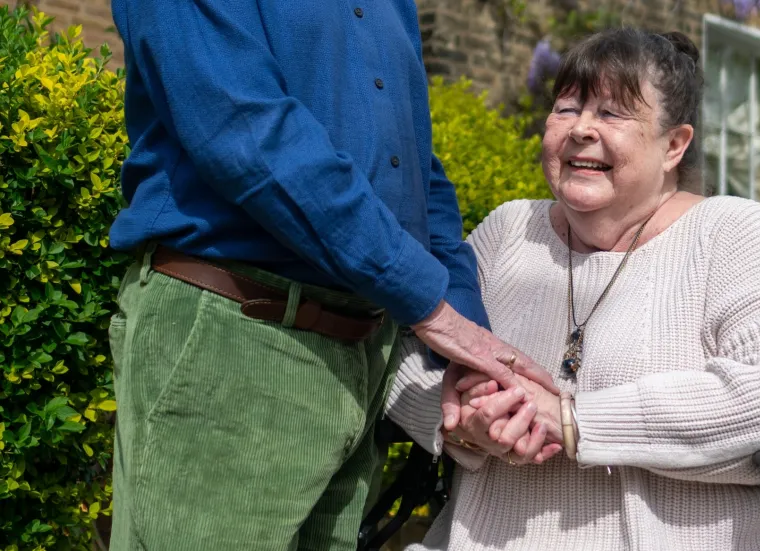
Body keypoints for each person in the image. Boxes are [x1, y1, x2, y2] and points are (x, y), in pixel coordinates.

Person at [105, 2, 557, 550]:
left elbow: (413, 166)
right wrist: (430, 307)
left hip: (360, 353)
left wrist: (466, 345)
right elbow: (248, 134)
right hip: (236, 334)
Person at [386, 28, 760, 550]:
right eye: (566, 108)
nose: (582, 129)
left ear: (674, 145)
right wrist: (459, 422)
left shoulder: (727, 232)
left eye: (611, 113)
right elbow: (400, 353)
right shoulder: (509, 231)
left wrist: (573, 419)